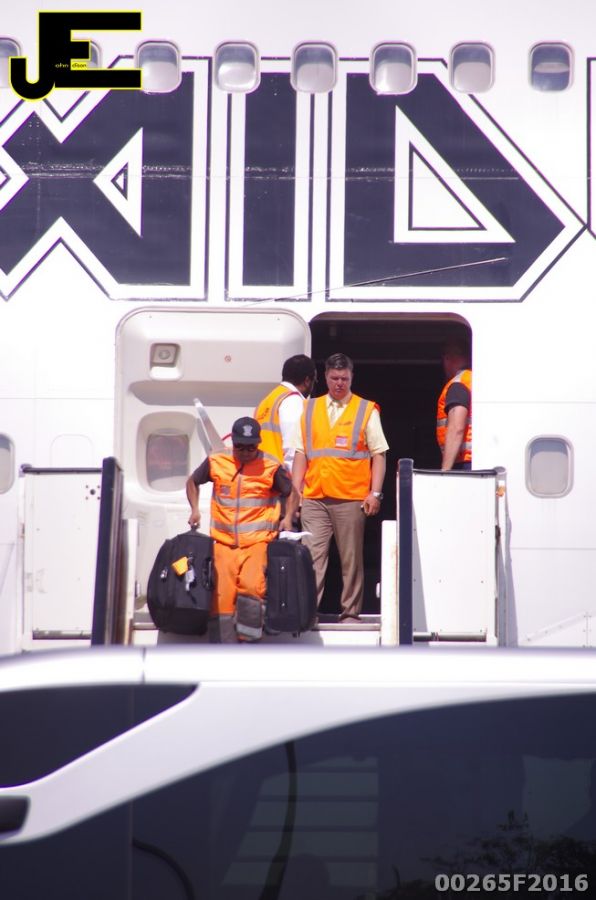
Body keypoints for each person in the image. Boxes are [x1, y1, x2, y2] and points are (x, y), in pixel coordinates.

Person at [283, 352, 388, 621]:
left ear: (351, 377)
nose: (339, 383)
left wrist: (375, 493)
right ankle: (308, 612)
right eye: (334, 378)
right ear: (326, 377)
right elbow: (301, 453)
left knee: (350, 559)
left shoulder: (365, 410)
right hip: (315, 496)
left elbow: (379, 454)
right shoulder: (310, 408)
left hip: (351, 498)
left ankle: (350, 612)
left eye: (344, 378)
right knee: (312, 557)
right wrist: (296, 493)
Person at [186, 416, 299, 642]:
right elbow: (192, 482)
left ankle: (248, 644)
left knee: (251, 587)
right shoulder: (217, 461)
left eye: (251, 447)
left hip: (257, 542)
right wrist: (195, 509)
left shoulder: (271, 466)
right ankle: (223, 645)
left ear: (258, 444)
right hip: (223, 543)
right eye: (240, 447)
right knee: (221, 596)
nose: (246, 452)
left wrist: (288, 518)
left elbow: (292, 493)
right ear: (233, 442)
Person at [254, 354, 317, 470]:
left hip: (263, 474)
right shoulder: (293, 401)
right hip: (280, 476)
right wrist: (293, 478)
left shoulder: (267, 401)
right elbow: (292, 449)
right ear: (307, 381)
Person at [437, 340, 472, 471]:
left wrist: (445, 471)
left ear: (448, 358)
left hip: (465, 463)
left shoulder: (459, 383)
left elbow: (456, 428)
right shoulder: (475, 380)